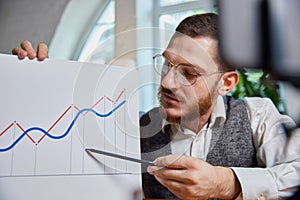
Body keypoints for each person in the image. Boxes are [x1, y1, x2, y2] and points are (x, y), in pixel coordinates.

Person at [12, 13, 299, 200]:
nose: (168, 82)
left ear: (226, 83)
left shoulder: (256, 115)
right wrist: (36, 80)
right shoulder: (128, 128)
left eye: (189, 73)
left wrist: (226, 183)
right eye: (167, 64)